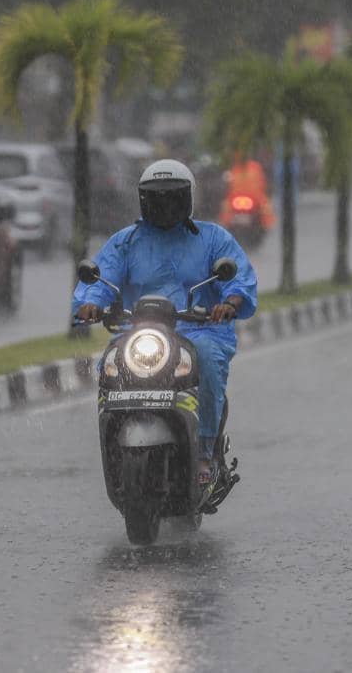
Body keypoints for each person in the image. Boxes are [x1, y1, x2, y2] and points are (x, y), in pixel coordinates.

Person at [73, 159, 259, 485]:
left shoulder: (213, 238)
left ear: (187, 198)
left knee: (206, 360)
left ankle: (204, 450)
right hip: (141, 331)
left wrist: (229, 303)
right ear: (143, 200)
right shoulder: (126, 241)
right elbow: (101, 279)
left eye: (172, 197)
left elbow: (238, 279)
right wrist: (90, 304)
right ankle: (114, 443)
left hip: (200, 330)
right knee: (111, 367)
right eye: (156, 198)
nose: (164, 205)